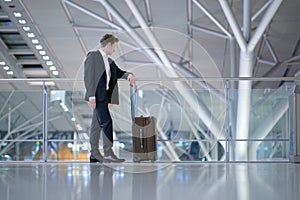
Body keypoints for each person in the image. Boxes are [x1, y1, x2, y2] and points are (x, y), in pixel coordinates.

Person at [84, 34, 135, 163]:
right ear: (109, 45)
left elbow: (119, 73)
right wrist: (91, 96)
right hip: (97, 96)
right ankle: (107, 152)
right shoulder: (93, 56)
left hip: (105, 97)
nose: (114, 50)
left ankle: (94, 154)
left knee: (96, 126)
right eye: (114, 47)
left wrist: (128, 74)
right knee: (107, 122)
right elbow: (88, 77)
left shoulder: (110, 62)